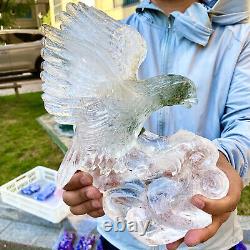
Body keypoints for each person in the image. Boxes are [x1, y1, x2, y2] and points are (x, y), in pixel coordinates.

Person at [62, 0, 250, 249]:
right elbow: (89, 118)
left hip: (209, 238)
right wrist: (89, 166)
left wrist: (223, 159)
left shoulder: (239, 35)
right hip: (121, 234)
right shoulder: (117, 39)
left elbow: (245, 120)